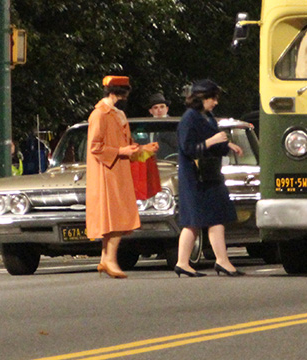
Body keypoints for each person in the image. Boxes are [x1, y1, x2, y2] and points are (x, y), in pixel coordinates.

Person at [86, 76, 158, 279]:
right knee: (117, 217)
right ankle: (109, 260)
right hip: (107, 173)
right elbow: (95, 147)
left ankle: (105, 258)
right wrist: (121, 151)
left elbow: (128, 146)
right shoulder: (100, 114)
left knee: (115, 216)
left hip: (118, 171)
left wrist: (143, 149)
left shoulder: (117, 114)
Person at [173, 79, 245, 277]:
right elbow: (188, 148)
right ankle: (189, 262)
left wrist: (227, 145)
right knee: (195, 220)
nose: (215, 102)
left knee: (213, 218)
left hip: (210, 174)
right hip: (195, 176)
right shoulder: (190, 118)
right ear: (201, 98)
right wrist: (212, 140)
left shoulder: (208, 116)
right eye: (212, 98)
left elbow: (215, 143)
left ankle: (214, 261)